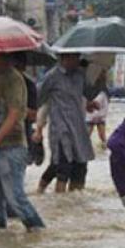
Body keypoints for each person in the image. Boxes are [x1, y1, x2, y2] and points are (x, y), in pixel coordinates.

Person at [0, 53, 45, 230]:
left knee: (15, 198)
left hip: (10, 146)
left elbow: (14, 114)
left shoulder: (13, 79)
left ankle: (38, 232)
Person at [37, 53, 97, 192]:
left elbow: (89, 93)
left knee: (80, 167)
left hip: (78, 128)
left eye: (78, 56)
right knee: (62, 167)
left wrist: (91, 101)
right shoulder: (52, 76)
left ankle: (73, 205)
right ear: (64, 58)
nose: (77, 60)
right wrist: (38, 125)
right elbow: (39, 98)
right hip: (61, 129)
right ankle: (57, 202)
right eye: (74, 57)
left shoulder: (80, 75)